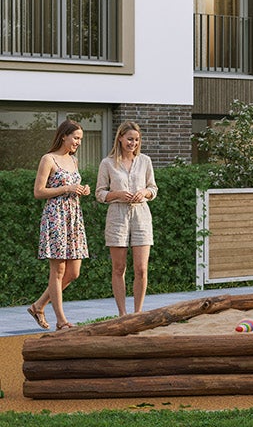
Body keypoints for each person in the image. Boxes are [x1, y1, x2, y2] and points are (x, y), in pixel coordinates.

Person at [28, 119, 91, 331]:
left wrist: (81, 189)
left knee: (73, 272)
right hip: (55, 217)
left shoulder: (74, 160)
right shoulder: (48, 159)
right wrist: (67, 189)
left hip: (73, 217)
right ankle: (61, 321)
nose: (78, 142)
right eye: (76, 138)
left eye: (80, 139)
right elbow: (39, 192)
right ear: (64, 136)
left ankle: (38, 305)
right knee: (58, 270)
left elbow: (73, 187)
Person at [98, 120, 157, 318]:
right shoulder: (107, 163)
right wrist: (117, 194)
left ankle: (138, 314)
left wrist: (144, 192)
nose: (133, 143)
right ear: (120, 138)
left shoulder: (145, 161)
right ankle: (122, 315)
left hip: (141, 215)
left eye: (137, 140)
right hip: (117, 216)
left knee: (141, 268)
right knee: (119, 268)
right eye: (130, 139)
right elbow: (100, 193)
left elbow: (153, 188)